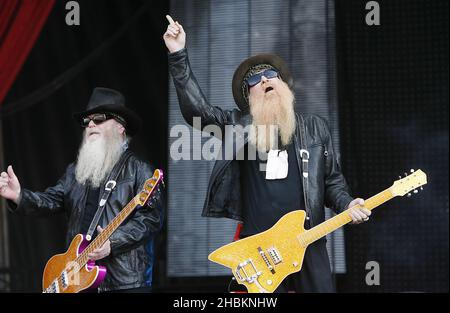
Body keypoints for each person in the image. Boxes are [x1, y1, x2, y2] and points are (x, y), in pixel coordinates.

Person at [163, 15, 371, 293]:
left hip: (307, 242)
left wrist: (347, 205)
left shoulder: (314, 127)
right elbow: (197, 112)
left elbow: (332, 182)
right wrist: (178, 54)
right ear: (249, 98)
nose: (265, 80)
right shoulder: (239, 126)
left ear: (284, 86)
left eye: (271, 76)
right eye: (255, 79)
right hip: (258, 248)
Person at [0, 87, 164, 293]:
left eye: (99, 118)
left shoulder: (140, 170)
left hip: (124, 282)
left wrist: (113, 242)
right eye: (87, 121)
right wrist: (19, 196)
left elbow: (151, 219)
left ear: (120, 126)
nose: (91, 124)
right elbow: (52, 200)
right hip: (79, 280)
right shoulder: (77, 171)